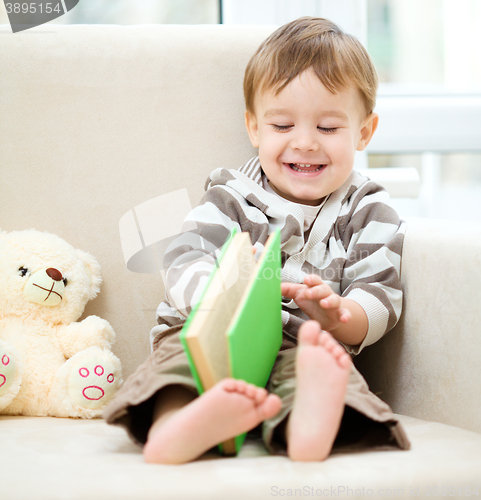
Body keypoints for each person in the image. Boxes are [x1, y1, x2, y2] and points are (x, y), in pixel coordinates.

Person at [104, 16, 410, 463]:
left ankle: (307, 426)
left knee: (328, 372)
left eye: (328, 128)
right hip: (211, 333)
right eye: (283, 126)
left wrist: (339, 314)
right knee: (177, 364)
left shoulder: (371, 212)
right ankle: (176, 425)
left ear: (364, 131)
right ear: (254, 129)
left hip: (303, 341)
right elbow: (182, 256)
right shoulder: (230, 197)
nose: (304, 143)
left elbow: (380, 295)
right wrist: (223, 289)